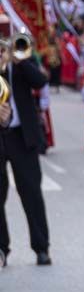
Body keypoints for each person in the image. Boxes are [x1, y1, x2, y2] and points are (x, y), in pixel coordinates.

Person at [0, 32, 51, 268]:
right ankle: (2, 248)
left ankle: (41, 248)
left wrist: (18, 60)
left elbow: (40, 82)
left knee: (31, 193)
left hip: (22, 137)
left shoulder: (21, 64)